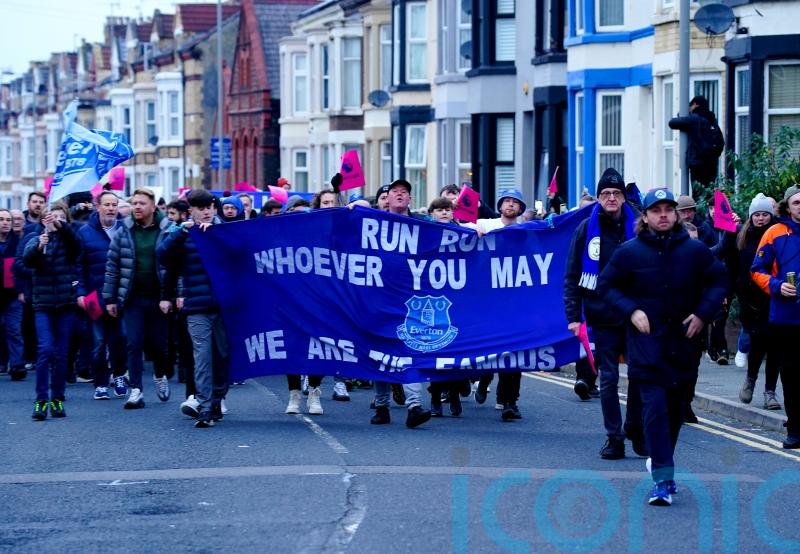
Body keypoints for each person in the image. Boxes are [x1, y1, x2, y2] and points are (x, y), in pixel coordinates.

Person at [599, 188, 727, 506]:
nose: (664, 215)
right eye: (656, 210)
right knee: (655, 411)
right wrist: (631, 310)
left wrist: (702, 313)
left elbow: (719, 280)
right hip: (646, 347)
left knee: (674, 413)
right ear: (645, 216)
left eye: (669, 210)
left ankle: (661, 458)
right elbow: (606, 285)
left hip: (684, 346)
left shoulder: (694, 250)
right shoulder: (629, 252)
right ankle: (663, 479)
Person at [563, 167, 645, 459]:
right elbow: (572, 275)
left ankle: (635, 426)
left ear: (623, 197)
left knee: (638, 375)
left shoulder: (639, 226)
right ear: (598, 198)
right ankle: (615, 437)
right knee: (608, 378)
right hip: (601, 314)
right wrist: (573, 317)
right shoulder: (586, 229)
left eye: (616, 193)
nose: (611, 198)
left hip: (636, 314)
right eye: (606, 193)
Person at [158, 189, 230, 428]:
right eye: (200, 208)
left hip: (224, 306)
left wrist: (218, 237)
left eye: (209, 207)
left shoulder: (226, 230)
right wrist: (181, 231)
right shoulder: (184, 234)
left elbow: (241, 255)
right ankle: (205, 406)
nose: (206, 212)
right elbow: (163, 256)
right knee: (202, 357)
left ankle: (218, 398)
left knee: (222, 356)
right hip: (196, 306)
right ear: (192, 211)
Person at [370, 179, 432, 428]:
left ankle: (414, 406)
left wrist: (476, 230)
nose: (399, 195)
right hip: (377, 299)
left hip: (410, 300)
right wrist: (349, 209)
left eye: (403, 192)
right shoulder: (372, 224)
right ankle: (382, 405)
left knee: (409, 350)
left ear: (410, 199)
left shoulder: (422, 225)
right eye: (394, 192)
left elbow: (451, 233)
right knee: (379, 353)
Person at [103, 188, 173, 409]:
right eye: (134, 203)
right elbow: (113, 265)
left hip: (159, 297)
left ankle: (160, 375)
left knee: (159, 345)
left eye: (142, 203)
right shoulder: (124, 230)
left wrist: (171, 296)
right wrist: (110, 298)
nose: (137, 207)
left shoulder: (167, 229)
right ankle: (136, 390)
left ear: (153, 206)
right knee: (133, 343)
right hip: (132, 296)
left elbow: (175, 265)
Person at [472, 190, 528, 421]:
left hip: (514, 301)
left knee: (514, 352)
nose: (511, 204)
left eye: (515, 202)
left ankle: (509, 401)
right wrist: (472, 230)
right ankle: (484, 379)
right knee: (491, 351)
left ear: (521, 208)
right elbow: (458, 227)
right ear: (500, 205)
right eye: (507, 200)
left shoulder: (527, 229)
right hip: (488, 300)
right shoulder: (487, 223)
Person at [751, 184, 800, 450]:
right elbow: (756, 269)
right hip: (786, 316)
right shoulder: (774, 232)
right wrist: (776, 286)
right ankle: (795, 429)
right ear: (787, 206)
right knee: (791, 374)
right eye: (796, 203)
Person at [23, 203, 82, 420]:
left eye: (61, 217)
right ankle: (41, 400)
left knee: (61, 353)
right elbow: (27, 260)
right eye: (52, 216)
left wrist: (61, 226)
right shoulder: (36, 238)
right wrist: (39, 246)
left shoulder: (69, 240)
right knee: (45, 349)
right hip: (43, 305)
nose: (56, 220)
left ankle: (57, 397)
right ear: (43, 220)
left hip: (65, 303)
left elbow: (77, 246)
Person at [722, 194, 780, 410]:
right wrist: (727, 293)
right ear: (751, 216)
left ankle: (770, 392)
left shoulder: (778, 234)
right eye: (757, 214)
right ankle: (750, 379)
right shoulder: (741, 238)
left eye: (765, 214)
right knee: (757, 343)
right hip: (750, 301)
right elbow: (731, 266)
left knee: (774, 346)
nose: (761, 218)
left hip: (774, 296)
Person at [76, 191, 127, 400]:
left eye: (114, 204)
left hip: (121, 296)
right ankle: (100, 382)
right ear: (98, 207)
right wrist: (79, 292)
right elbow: (78, 265)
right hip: (95, 296)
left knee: (121, 339)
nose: (111, 208)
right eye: (107, 204)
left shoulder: (126, 230)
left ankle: (120, 375)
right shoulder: (85, 232)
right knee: (98, 343)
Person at [668, 95, 724, 187]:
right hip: (711, 163)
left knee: (698, 194)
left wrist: (683, 113)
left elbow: (672, 123)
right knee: (709, 191)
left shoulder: (694, 119)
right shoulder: (712, 119)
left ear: (695, 105)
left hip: (697, 163)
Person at [0, 209, 24, 379]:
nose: (5, 222)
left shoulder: (18, 243)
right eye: (1, 219)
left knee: (14, 330)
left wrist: (23, 290)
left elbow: (23, 269)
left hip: (13, 295)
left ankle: (17, 366)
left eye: (8, 219)